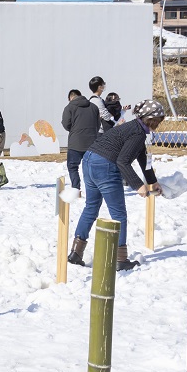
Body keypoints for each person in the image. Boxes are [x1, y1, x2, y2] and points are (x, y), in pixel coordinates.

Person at [69, 99, 166, 272]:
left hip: (89, 160)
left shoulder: (134, 128)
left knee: (91, 207)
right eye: (159, 120)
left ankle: (76, 253)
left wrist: (152, 181)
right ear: (152, 119)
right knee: (119, 214)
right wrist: (138, 186)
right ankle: (121, 259)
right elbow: (123, 161)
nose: (159, 123)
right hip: (105, 165)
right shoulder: (138, 134)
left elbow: (142, 158)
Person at [59, 88, 101, 193]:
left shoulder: (69, 107)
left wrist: (74, 130)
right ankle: (93, 189)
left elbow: (66, 124)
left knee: (73, 167)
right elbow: (98, 124)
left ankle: (76, 189)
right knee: (91, 167)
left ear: (70, 97)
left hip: (75, 143)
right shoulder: (94, 107)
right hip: (92, 142)